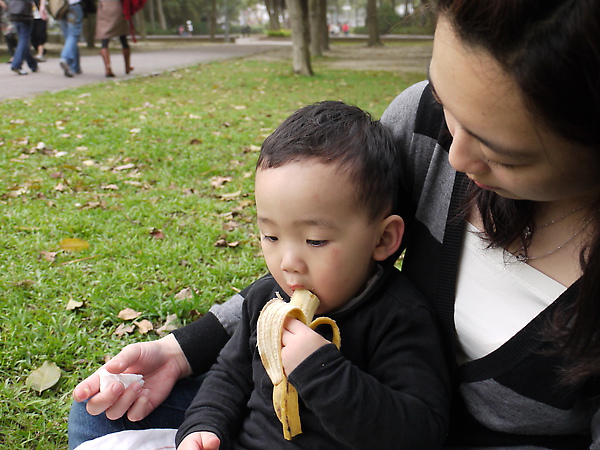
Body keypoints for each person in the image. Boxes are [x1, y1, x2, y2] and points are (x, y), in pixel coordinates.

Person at [69, 0, 600, 447]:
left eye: (501, 152)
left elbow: (415, 426)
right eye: (446, 103)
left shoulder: (397, 320)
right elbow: (235, 368)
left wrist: (319, 369)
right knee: (102, 412)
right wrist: (188, 380)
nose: (453, 154)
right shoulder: (419, 129)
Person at [176, 101, 450, 449]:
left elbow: (420, 431)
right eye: (271, 236)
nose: (288, 262)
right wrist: (204, 426)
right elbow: (230, 373)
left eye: (315, 241)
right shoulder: (265, 298)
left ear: (382, 239)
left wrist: (320, 368)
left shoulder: (399, 318)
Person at [95, 0, 133, 78]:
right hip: (117, 7)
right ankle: (127, 66)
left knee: (104, 40)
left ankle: (107, 68)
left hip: (103, 8)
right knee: (123, 37)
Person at [7, 0, 39, 75]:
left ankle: (32, 64)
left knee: (23, 40)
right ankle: (16, 64)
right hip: (25, 13)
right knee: (24, 40)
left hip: (14, 12)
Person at [58, 0, 83, 77]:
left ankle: (75, 67)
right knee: (73, 35)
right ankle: (65, 58)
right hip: (73, 5)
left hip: (60, 7)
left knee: (69, 38)